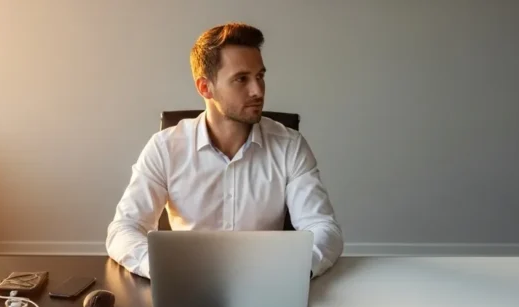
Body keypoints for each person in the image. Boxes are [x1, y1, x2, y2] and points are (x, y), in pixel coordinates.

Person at [105, 22, 344, 279]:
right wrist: (165, 270)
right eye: (241, 79)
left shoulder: (290, 145)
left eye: (260, 76)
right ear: (205, 87)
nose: (258, 90)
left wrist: (293, 271)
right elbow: (124, 229)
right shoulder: (165, 148)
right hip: (187, 284)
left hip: (267, 282)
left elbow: (322, 227)